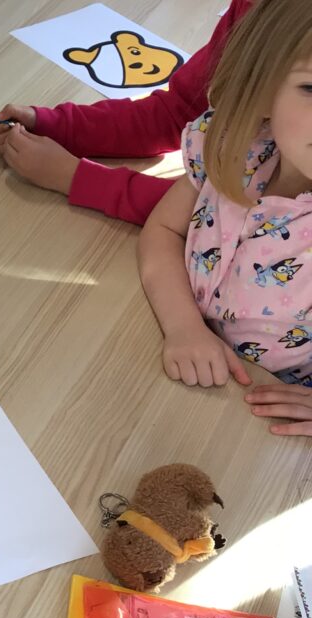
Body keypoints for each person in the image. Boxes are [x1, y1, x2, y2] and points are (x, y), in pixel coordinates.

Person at [136, 0, 312, 438]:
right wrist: (184, 326)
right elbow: (164, 230)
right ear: (264, 85)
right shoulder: (234, 145)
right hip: (171, 368)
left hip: (263, 427)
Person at [0, 0, 253, 226]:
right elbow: (176, 112)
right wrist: (55, 125)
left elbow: (220, 219)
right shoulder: (250, 12)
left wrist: (74, 177)